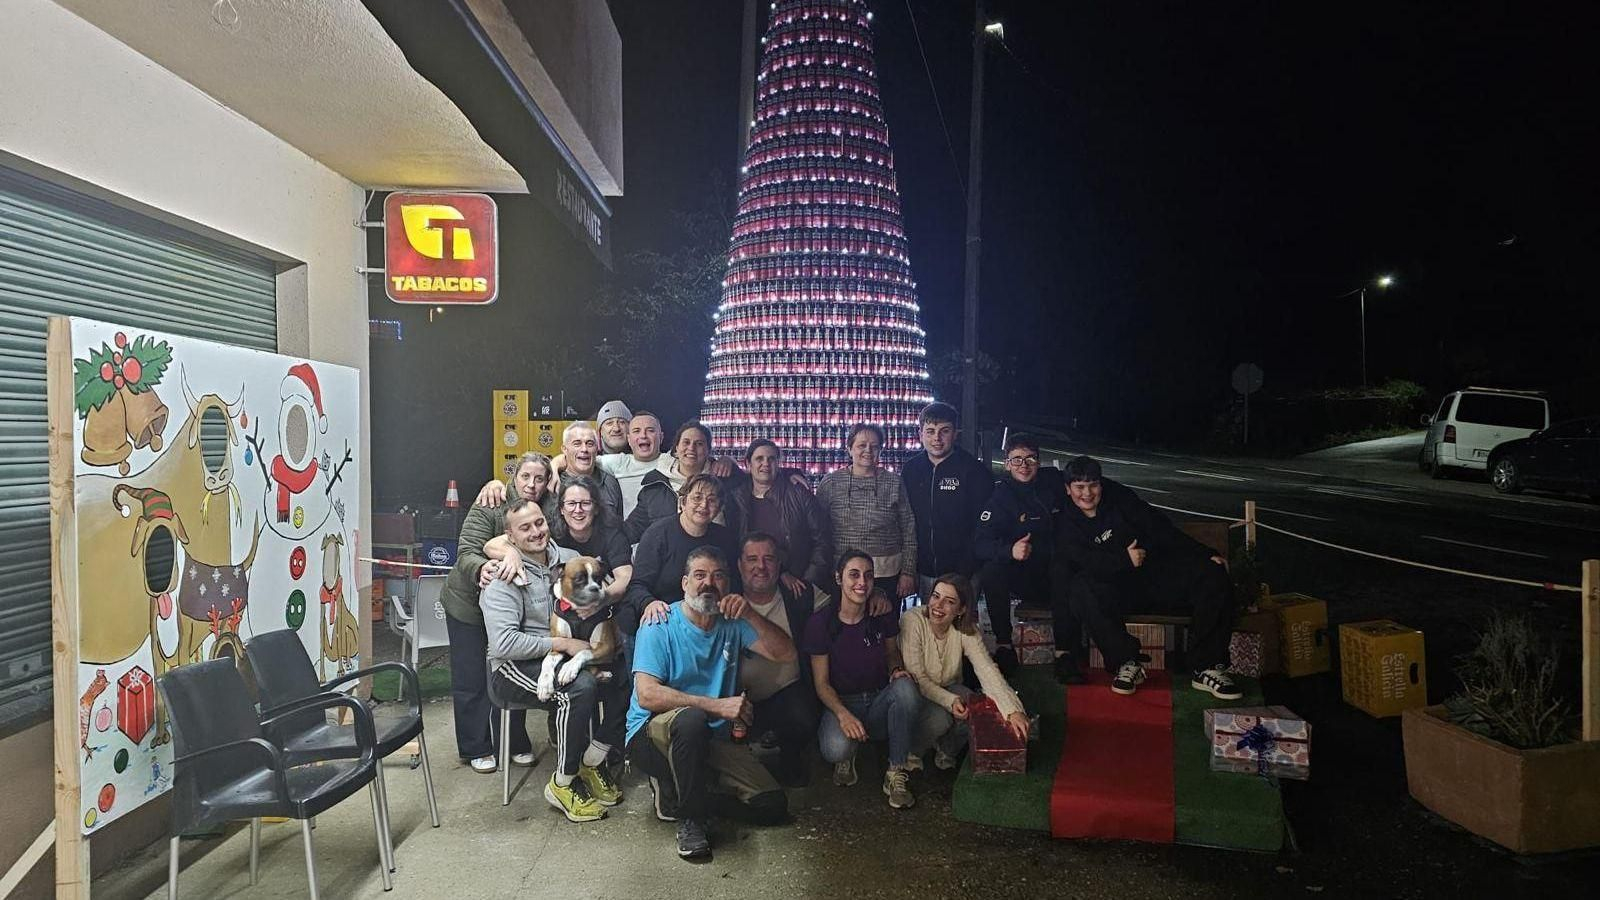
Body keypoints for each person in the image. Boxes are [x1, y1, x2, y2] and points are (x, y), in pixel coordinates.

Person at [627, 546, 795, 860]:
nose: (709, 583)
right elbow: (647, 695)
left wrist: (749, 613)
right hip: (652, 738)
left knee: (772, 806)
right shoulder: (659, 623)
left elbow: (786, 653)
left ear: (727, 585)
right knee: (692, 719)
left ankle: (687, 795)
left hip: (711, 741)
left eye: (718, 576)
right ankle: (692, 820)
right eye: (700, 575)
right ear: (684, 583)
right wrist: (716, 706)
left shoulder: (733, 623)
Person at [479, 498, 625, 822]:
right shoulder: (503, 576)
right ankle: (563, 781)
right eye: (525, 528)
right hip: (512, 666)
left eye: (539, 523)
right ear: (510, 538)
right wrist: (562, 643)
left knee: (623, 675)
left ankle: (592, 761)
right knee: (579, 688)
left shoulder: (571, 559)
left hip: (570, 653)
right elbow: (504, 644)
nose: (536, 532)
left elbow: (602, 593)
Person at [1054, 456, 1241, 700]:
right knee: (1081, 589)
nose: (1087, 493)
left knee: (1213, 574)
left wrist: (1205, 554)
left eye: (1093, 485)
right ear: (1068, 490)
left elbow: (1159, 528)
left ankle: (1206, 667)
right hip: (1115, 589)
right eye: (1079, 487)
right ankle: (1127, 663)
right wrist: (1124, 559)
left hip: (1153, 576)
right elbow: (1084, 562)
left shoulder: (1120, 499)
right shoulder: (1064, 521)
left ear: (1101, 484)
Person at [438, 452, 556, 773]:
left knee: (511, 667)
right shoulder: (492, 500)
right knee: (473, 676)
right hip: (469, 604)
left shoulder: (545, 508)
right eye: (525, 477)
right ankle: (476, 745)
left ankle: (513, 740)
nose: (532, 484)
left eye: (540, 478)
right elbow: (465, 552)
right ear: (513, 477)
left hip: (510, 604)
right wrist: (484, 568)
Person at [802, 550, 930, 810]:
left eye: (868, 576)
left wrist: (896, 670)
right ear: (839, 578)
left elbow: (893, 652)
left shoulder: (881, 612)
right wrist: (842, 714)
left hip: (877, 699)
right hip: (842, 701)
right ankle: (848, 754)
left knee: (905, 686)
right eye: (854, 575)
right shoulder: (821, 622)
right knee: (836, 748)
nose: (862, 582)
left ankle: (895, 770)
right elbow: (821, 684)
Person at [974, 433, 1081, 681]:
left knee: (1063, 568)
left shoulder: (1053, 483)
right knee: (992, 569)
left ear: (1039, 461)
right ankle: (1004, 646)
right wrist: (1009, 550)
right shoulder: (1000, 497)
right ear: (1007, 463)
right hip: (1022, 575)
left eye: (1030, 459)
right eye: (1017, 459)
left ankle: (1064, 653)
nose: (1024, 465)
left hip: (1056, 573)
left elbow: (1088, 481)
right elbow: (980, 544)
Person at [900, 574, 1029, 769]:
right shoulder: (913, 620)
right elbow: (918, 679)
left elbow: (987, 670)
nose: (938, 605)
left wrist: (1013, 710)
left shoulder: (967, 630)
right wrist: (950, 701)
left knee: (976, 706)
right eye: (935, 596)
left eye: (949, 601)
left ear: (961, 610)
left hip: (949, 687)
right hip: (915, 692)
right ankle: (911, 752)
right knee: (940, 719)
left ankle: (946, 750)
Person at [734, 532, 821, 786]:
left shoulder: (798, 595)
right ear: (739, 566)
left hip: (787, 696)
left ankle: (791, 754)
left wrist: (878, 594)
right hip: (736, 700)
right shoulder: (726, 599)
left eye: (769, 559)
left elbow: (842, 607)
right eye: (752, 559)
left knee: (804, 713)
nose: (761, 566)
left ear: (779, 565)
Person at [621, 473, 741, 638]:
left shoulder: (725, 539)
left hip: (704, 624)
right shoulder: (658, 534)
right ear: (683, 502)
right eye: (697, 498)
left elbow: (734, 582)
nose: (704, 505)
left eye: (712, 500)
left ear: (719, 508)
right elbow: (636, 586)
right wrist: (649, 603)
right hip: (657, 622)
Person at [815, 424, 917, 603]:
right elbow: (818, 531)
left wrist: (908, 572)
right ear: (849, 448)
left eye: (875, 446)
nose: (868, 450)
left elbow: (909, 529)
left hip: (886, 574)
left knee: (884, 627)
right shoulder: (830, 482)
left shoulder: (894, 482)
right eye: (862, 445)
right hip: (843, 574)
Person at [900, 402, 993, 599]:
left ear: (955, 433)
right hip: (924, 572)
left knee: (961, 628)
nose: (937, 438)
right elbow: (905, 521)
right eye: (931, 431)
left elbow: (984, 525)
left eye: (944, 431)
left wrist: (968, 567)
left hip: (963, 573)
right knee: (929, 626)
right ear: (920, 434)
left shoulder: (974, 471)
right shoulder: (910, 470)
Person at [726, 439, 831, 593]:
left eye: (771, 459)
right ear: (748, 464)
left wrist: (808, 581)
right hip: (749, 586)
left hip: (797, 585)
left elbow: (823, 540)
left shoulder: (798, 493)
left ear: (778, 463)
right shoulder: (736, 498)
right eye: (759, 459)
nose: (766, 463)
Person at [627, 421, 744, 542]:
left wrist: (731, 463)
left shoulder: (723, 479)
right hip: (670, 557)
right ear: (676, 448)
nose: (691, 448)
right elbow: (632, 530)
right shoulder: (656, 484)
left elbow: (750, 487)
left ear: (708, 450)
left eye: (699, 444)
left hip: (716, 554)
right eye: (686, 442)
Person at [558, 421, 624, 522]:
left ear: (597, 449)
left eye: (590, 444)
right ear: (564, 449)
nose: (584, 449)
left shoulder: (609, 482)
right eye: (577, 444)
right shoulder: (554, 483)